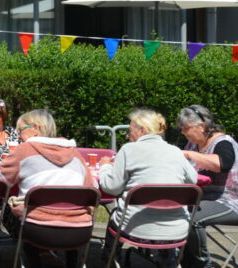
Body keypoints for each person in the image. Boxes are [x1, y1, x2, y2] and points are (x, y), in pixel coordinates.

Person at [0, 109, 93, 268]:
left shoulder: (24, 150)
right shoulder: (75, 153)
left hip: (38, 230)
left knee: (9, 213)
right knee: (69, 212)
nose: (18, 135)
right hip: (79, 231)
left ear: (36, 128)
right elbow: (91, 189)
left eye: (21, 130)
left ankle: (34, 260)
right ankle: (70, 262)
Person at [97, 109, 196, 266]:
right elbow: (193, 180)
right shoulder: (176, 151)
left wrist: (104, 168)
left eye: (130, 131)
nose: (127, 136)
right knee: (163, 212)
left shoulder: (128, 150)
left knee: (116, 214)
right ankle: (167, 259)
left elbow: (111, 188)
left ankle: (109, 258)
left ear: (142, 130)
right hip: (177, 230)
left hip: (135, 228)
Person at [177, 104, 238, 268]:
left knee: (192, 218)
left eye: (186, 128)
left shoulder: (223, 143)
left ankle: (202, 264)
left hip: (229, 200)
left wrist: (191, 155)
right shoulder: (192, 143)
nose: (183, 132)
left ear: (202, 126)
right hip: (201, 197)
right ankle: (182, 260)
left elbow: (222, 164)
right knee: (171, 209)